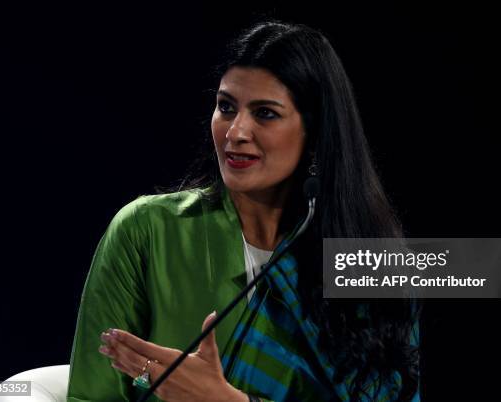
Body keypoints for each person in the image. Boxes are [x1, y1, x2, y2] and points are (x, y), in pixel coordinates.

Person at [67, 20, 420, 402]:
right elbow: (91, 396)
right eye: (226, 107)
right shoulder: (147, 231)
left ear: (316, 133)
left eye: (265, 113)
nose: (235, 132)